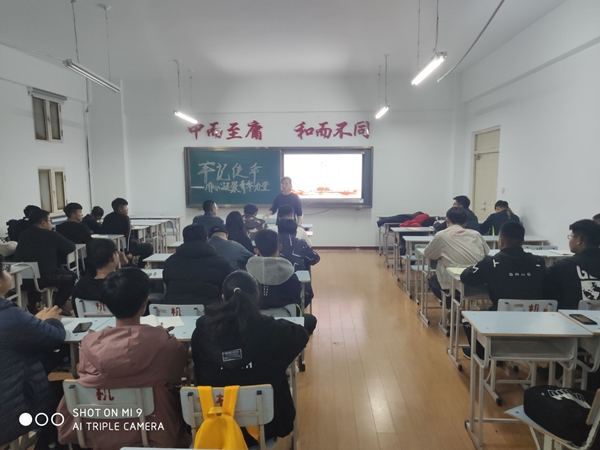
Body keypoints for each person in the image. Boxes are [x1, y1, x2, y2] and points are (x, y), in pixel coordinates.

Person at [58, 268, 188, 450]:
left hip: (96, 432)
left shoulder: (88, 346)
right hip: (154, 432)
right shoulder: (166, 346)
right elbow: (177, 377)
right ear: (145, 302)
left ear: (106, 304)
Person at [192, 271, 312, 447]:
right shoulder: (271, 330)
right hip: (266, 424)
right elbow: (302, 333)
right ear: (256, 296)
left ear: (223, 297)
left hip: (212, 420)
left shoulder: (202, 333)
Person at [0, 257, 67, 450]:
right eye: (4, 269)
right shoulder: (10, 316)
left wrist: (33, 322)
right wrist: (51, 320)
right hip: (11, 414)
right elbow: (54, 337)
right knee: (62, 389)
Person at [460, 222, 546, 358]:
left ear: (500, 241)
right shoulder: (539, 262)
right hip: (534, 321)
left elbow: (467, 277)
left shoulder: (491, 262)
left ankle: (484, 354)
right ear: (522, 241)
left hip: (501, 320)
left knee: (467, 319)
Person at [13, 209, 77, 315]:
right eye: (50, 221)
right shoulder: (50, 234)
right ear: (43, 223)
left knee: (36, 273)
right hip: (44, 278)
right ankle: (57, 306)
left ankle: (34, 304)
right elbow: (71, 247)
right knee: (72, 276)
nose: (51, 224)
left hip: (22, 279)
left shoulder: (23, 234)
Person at [424, 207, 490, 307]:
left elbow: (428, 254)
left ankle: (452, 307)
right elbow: (487, 252)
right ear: (465, 223)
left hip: (453, 281)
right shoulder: (476, 234)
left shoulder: (441, 235)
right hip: (478, 281)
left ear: (447, 220)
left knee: (433, 280)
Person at [163, 224, 232, 305]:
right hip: (210, 309)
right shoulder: (222, 263)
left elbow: (166, 282)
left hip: (175, 309)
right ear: (207, 239)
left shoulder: (170, 262)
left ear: (184, 240)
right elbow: (230, 285)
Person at [544, 219, 600, 309]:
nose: (569, 239)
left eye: (571, 236)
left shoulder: (561, 268)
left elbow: (548, 297)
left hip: (568, 316)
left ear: (578, 240)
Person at [246, 229, 304, 309]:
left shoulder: (247, 273)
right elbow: (296, 299)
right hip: (286, 315)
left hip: (255, 315)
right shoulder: (290, 274)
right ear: (280, 247)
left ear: (256, 250)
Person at [100, 198, 153, 268]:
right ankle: (139, 267)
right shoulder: (125, 218)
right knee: (148, 247)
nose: (127, 209)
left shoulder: (107, 217)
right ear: (120, 208)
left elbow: (103, 232)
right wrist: (127, 252)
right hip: (124, 247)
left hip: (111, 247)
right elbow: (127, 236)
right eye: (125, 207)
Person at [278, 218, 320, 305]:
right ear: (295, 233)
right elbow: (315, 259)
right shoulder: (301, 244)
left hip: (273, 292)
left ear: (278, 232)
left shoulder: (272, 244)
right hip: (298, 292)